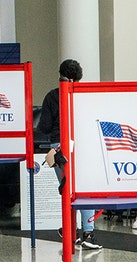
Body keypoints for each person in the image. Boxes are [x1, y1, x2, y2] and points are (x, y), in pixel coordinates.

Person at [37, 58, 102, 250]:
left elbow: (45, 127)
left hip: (58, 147)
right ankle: (88, 233)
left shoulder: (51, 96)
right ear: (78, 78)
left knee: (67, 189)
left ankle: (69, 229)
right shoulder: (83, 96)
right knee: (84, 189)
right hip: (81, 145)